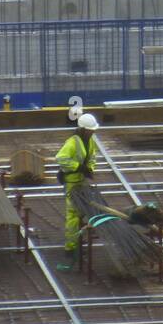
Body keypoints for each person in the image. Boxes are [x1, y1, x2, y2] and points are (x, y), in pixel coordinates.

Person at [55, 113, 99, 265]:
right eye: (90, 130)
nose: (92, 132)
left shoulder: (90, 141)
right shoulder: (73, 142)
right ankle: (70, 247)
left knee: (81, 212)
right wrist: (78, 167)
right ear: (83, 129)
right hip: (72, 182)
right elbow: (61, 158)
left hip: (81, 182)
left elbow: (92, 157)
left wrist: (90, 169)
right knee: (73, 215)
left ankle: (78, 241)